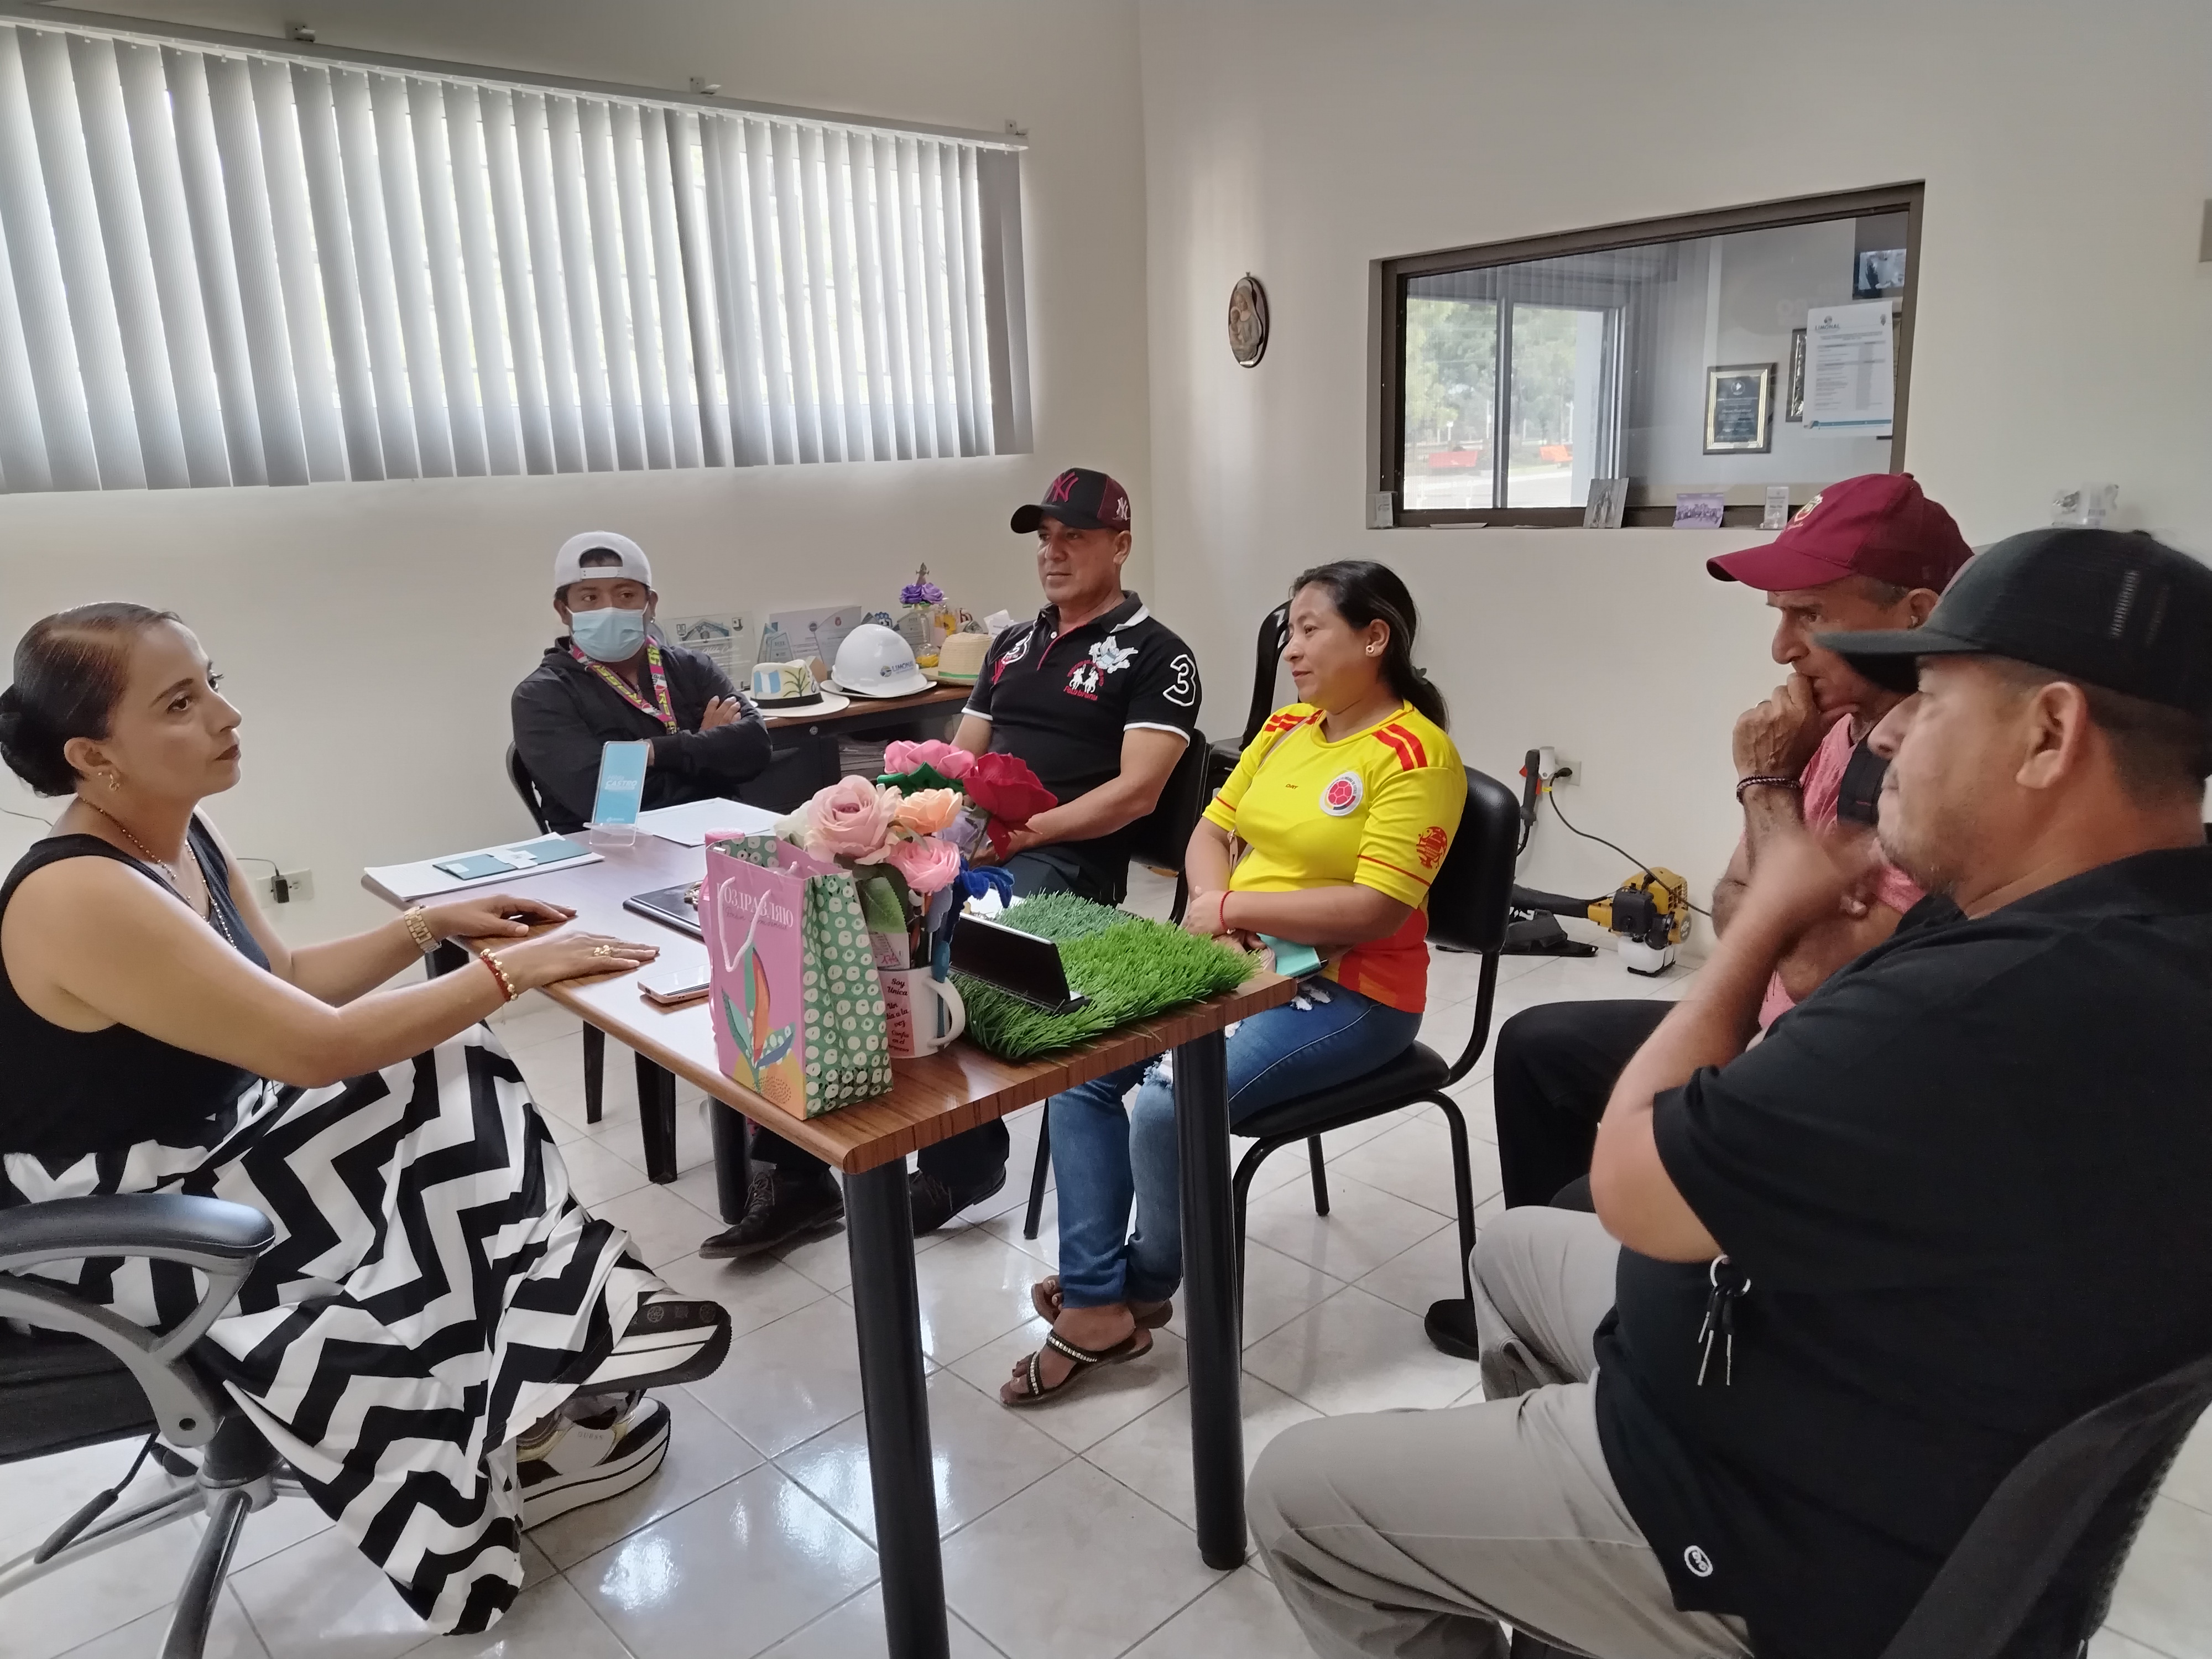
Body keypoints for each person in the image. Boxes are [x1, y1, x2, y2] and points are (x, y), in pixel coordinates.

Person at [1248, 526, 2212, 1659]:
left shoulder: (1982, 1007)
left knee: (1298, 1494)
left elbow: (1633, 1184)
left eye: (1931, 697)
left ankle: (1599, 1553)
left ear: (2049, 733)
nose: (1888, 730)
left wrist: (1757, 927)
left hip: (1766, 1519)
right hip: (1821, 1371)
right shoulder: (2119, 921)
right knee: (1511, 1252)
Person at [0, 604, 734, 1635]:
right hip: (119, 1223)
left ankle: (555, 1342)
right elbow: (315, 1048)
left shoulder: (176, 832)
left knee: (447, 1067)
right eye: (180, 703)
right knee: (428, 1082)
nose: (226, 715)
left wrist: (430, 926)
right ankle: (540, 1374)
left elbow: (287, 980)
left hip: (200, 1150)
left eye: (213, 683)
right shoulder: (79, 892)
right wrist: (510, 971)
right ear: (92, 755)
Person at [709, 467, 1203, 1255]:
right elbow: (953, 762)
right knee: (823, 922)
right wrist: (887, 819)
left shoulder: (1156, 655)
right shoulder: (1012, 645)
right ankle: (796, 1176)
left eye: (1074, 537)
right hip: (976, 843)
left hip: (1065, 864)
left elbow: (1136, 794)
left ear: (1120, 546)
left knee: (944, 940)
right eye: (1045, 539)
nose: (1053, 553)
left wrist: (1027, 834)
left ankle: (962, 1165)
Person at [1004, 560, 1465, 1404]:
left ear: (1375, 638)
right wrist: (1219, 911)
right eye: (1290, 630)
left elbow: (1377, 908)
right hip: (1240, 959)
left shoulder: (1416, 755)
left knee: (1164, 1102)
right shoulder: (1288, 727)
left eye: (1311, 629)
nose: (1291, 649)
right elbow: (1209, 832)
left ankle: (1140, 1285)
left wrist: (1234, 908)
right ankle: (1100, 1302)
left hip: (1353, 992)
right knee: (1080, 1070)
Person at [1491, 473, 1971, 1213]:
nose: (1782, 650)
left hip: (1826, 1068)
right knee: (1535, 1048)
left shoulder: (1938, 774)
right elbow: (1727, 904)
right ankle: (1552, 1277)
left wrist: (1767, 785)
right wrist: (1779, 902)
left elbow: (1813, 972)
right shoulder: (1828, 728)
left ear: (1916, 615)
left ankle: (1604, 1267)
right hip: (1761, 1018)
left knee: (1589, 1206)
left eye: (1810, 614)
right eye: (1780, 615)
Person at [510, 531, 771, 834]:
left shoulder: (692, 667)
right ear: (563, 611)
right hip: (607, 852)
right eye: (590, 598)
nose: (609, 609)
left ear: (651, 604)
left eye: (626, 595)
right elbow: (607, 803)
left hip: (715, 839)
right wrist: (707, 756)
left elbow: (755, 749)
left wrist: (653, 752)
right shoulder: (542, 695)